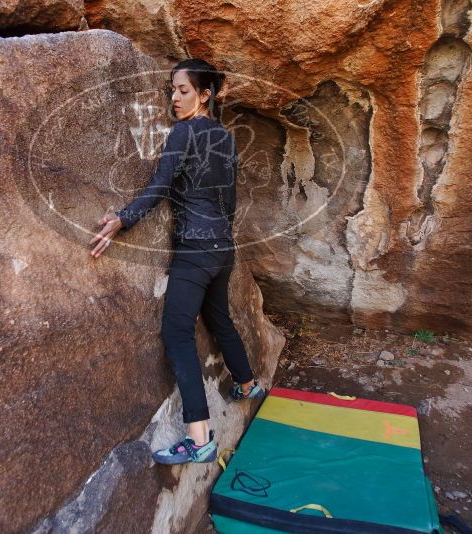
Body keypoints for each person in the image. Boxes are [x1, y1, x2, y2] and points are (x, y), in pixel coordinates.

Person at [89, 58, 265, 465]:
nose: (175, 97)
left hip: (195, 250)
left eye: (183, 90)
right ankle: (246, 384)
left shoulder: (183, 132)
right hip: (222, 248)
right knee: (219, 318)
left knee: (176, 334)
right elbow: (230, 199)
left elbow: (160, 185)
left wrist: (122, 218)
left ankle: (199, 439)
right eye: (172, 90)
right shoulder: (224, 137)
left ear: (205, 94)